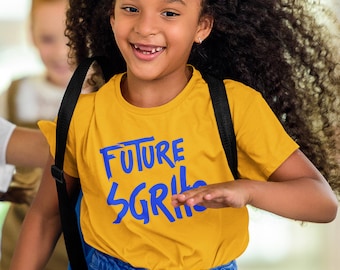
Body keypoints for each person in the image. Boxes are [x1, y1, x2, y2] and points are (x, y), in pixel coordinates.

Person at [10, 0, 340, 269]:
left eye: (169, 12)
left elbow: (322, 203)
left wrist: (249, 191)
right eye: (130, 8)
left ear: (202, 26)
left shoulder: (234, 106)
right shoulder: (83, 115)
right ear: (110, 16)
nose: (145, 26)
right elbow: (45, 216)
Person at [0, 0, 71, 268]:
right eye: (48, 39)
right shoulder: (17, 93)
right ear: (31, 35)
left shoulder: (106, 94)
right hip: (17, 242)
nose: (61, 52)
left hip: (80, 246)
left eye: (70, 38)